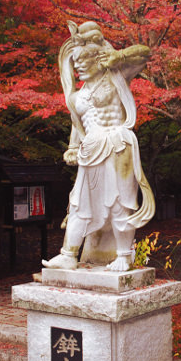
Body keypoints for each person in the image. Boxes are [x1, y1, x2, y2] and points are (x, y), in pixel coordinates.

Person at [43, 21, 154, 272]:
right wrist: (73, 146)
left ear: (98, 58)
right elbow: (77, 122)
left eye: (83, 61)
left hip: (116, 144)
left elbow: (144, 53)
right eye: (75, 62)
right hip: (90, 148)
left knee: (120, 202)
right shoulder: (77, 95)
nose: (78, 66)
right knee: (78, 203)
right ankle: (68, 254)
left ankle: (124, 255)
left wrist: (119, 55)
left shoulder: (116, 75)